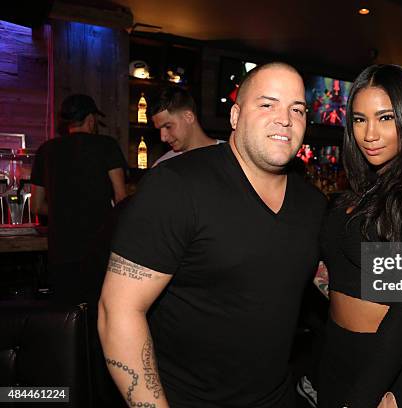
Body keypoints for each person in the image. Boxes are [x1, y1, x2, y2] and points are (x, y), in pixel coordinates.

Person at [98, 62, 328, 408]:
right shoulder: (178, 185)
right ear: (235, 116)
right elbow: (117, 310)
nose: (285, 118)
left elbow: (330, 276)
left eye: (297, 109)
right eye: (267, 104)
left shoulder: (312, 203)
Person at [317, 64, 402, 407]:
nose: (370, 134)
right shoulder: (361, 188)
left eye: (385, 118)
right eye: (360, 120)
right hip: (337, 351)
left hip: (391, 366)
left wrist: (366, 395)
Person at [30, 93, 127, 305]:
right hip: (99, 252)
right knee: (99, 315)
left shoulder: (45, 151)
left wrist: (63, 211)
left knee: (66, 318)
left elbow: (36, 206)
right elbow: (121, 198)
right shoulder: (107, 145)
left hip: (61, 252)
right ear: (91, 119)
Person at [151, 86, 224, 167]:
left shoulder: (230, 156)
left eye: (168, 127)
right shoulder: (163, 166)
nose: (163, 138)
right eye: (159, 130)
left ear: (188, 117)